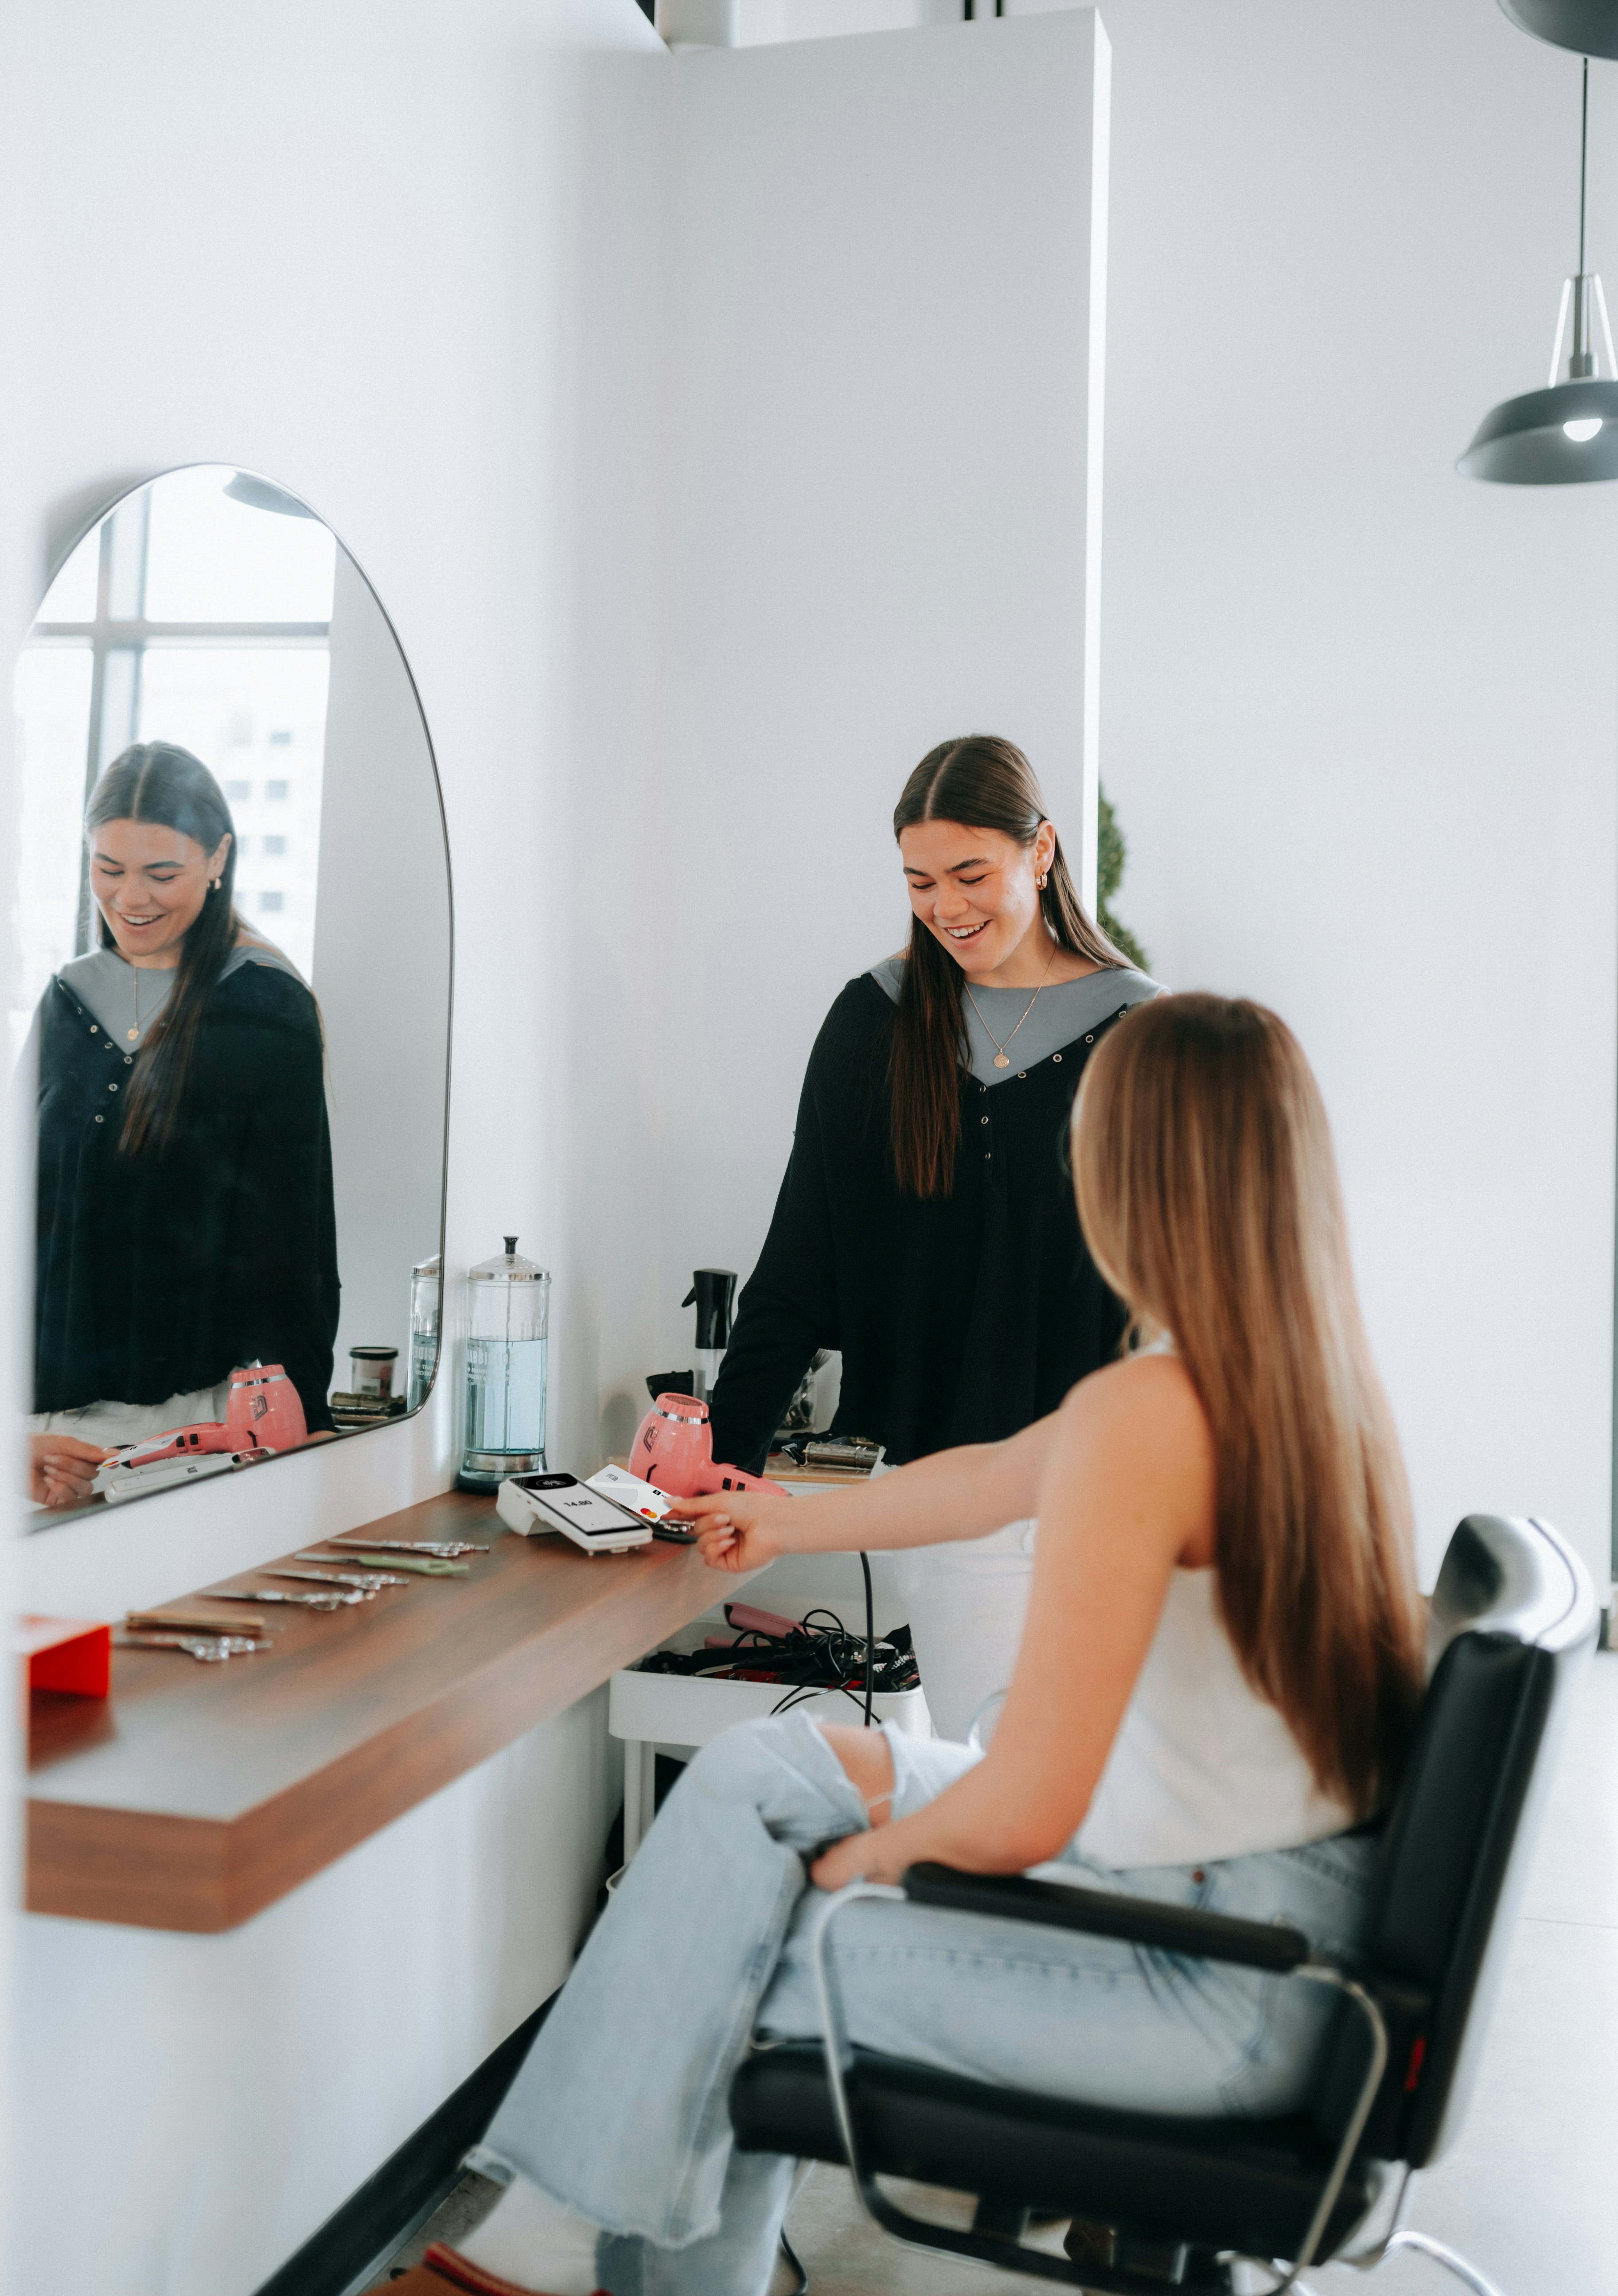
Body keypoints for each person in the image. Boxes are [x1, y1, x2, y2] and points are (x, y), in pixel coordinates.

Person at [395, 992, 1427, 2296]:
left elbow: (1027, 1801)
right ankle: (552, 2249)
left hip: (1211, 1979)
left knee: (743, 1947)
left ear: (1134, 1175)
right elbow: (992, 1475)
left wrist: (854, 1870)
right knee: (758, 1774)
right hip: (1273, 1942)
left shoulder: (1154, 1415)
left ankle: (543, 2254)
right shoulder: (1298, 1381)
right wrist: (786, 1516)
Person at [707, 733, 1160, 1737]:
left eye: (970, 874)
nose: (946, 907)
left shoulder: (1138, 1034)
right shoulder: (872, 1021)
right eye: (919, 883)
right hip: (946, 1509)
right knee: (988, 1772)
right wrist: (724, 1459)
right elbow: (797, 1263)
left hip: (1107, 1493)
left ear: (1041, 852)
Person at [27, 739, 339, 1504]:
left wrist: (297, 1418)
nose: (131, 897)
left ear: (218, 857)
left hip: (191, 1429)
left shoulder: (264, 1005)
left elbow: (293, 1245)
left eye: (162, 874)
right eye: (108, 868)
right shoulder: (66, 1001)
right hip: (43, 1435)